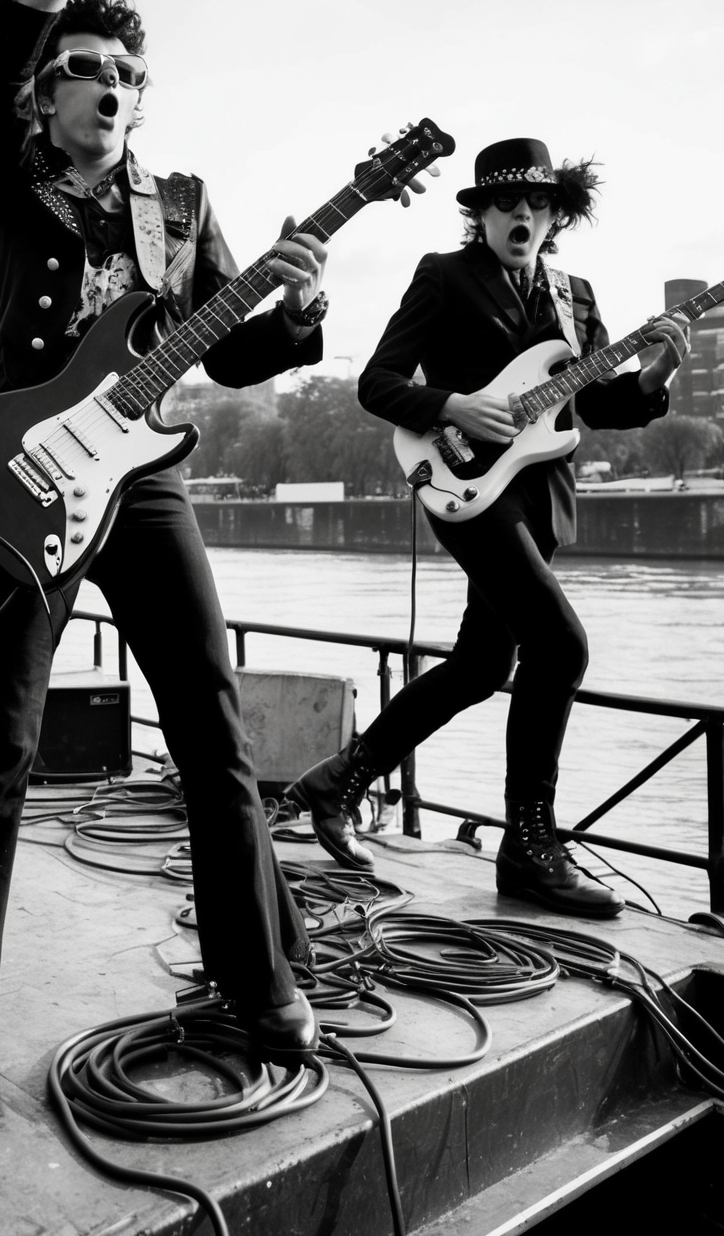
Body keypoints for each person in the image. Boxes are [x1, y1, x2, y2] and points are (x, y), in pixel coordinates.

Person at [0, 0, 427, 1119]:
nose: (112, 88)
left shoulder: (178, 206)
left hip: (149, 482)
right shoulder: (5, 178)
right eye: (89, 70)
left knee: (212, 730)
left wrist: (299, 299)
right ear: (43, 95)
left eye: (130, 77)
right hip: (26, 479)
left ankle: (261, 976)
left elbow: (231, 352)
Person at [287, 138, 689, 918]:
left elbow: (595, 404)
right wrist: (451, 405)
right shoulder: (444, 276)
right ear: (482, 215)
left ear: (554, 216)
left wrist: (658, 373)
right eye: (507, 205)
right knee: (561, 646)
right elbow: (377, 382)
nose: (523, 218)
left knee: (479, 665)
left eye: (537, 206)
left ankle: (337, 780)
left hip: (538, 499)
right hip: (468, 488)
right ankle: (530, 849)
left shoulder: (575, 295)